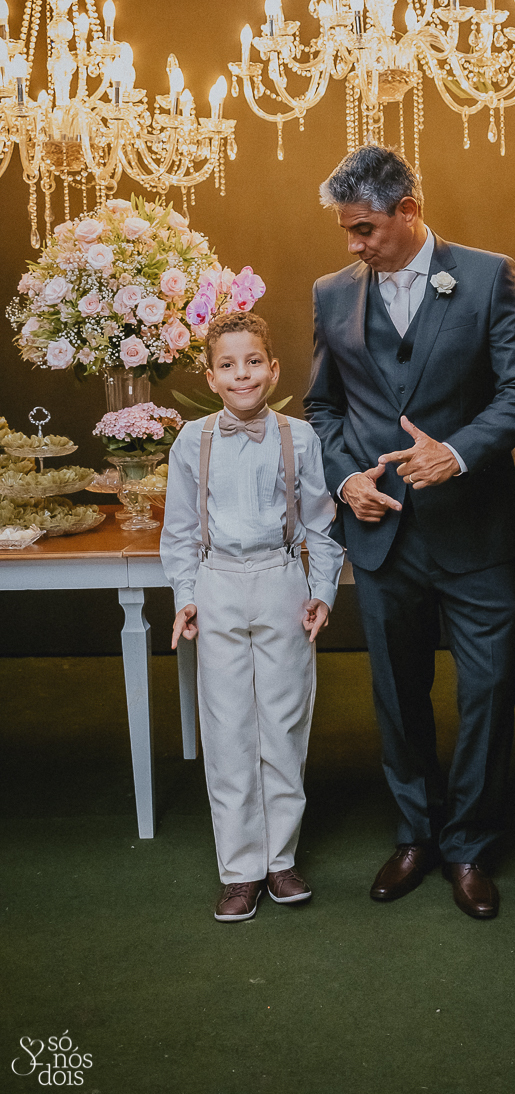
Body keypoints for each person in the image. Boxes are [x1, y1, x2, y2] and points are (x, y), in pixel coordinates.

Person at [304, 145, 515, 919]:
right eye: (347, 230)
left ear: (408, 211)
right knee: (397, 695)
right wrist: (347, 479)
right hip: (382, 538)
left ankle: (469, 843)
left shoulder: (485, 276)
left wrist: (458, 451)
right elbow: (322, 408)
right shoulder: (331, 293)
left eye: (365, 229)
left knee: (489, 690)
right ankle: (415, 832)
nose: (354, 244)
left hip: (474, 533)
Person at [162, 310, 344, 922]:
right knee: (227, 729)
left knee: (284, 723)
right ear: (211, 377)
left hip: (281, 582)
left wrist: (322, 591)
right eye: (228, 364)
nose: (242, 374)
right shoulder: (192, 441)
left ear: (273, 369)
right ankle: (239, 870)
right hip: (216, 583)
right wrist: (186, 596)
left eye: (253, 361)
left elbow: (321, 525)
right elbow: (180, 532)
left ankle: (280, 860)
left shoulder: (302, 438)